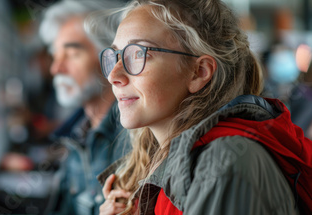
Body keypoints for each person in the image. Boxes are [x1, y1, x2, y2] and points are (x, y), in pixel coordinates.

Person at [85, 0, 312, 214]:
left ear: (199, 72)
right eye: (115, 56)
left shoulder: (223, 163)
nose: (114, 75)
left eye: (138, 54)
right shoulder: (164, 161)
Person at [38, 1, 129, 214]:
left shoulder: (134, 139)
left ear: (109, 58)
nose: (56, 68)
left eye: (71, 54)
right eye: (55, 55)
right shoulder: (76, 135)